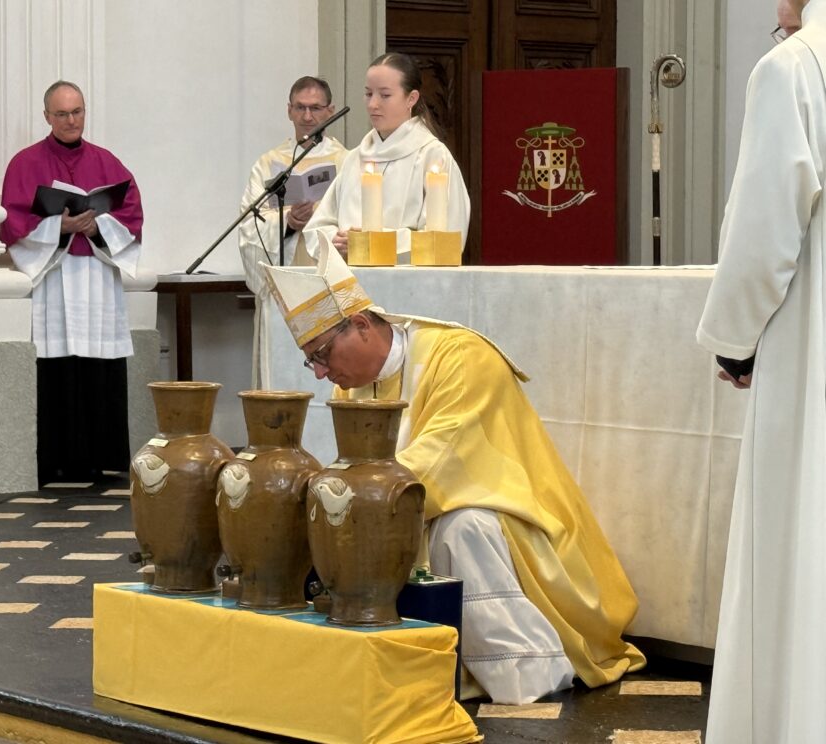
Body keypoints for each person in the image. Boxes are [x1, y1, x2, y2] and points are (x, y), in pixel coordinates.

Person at [262, 237, 645, 704]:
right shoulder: (353, 386)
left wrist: (340, 494)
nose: (319, 373)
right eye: (311, 360)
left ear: (360, 325)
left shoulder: (460, 356)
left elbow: (441, 460)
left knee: (461, 527)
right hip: (416, 510)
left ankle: (529, 670)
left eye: (321, 355)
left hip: (517, 525)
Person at [696, 1, 826, 741]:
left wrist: (736, 339)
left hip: (812, 355)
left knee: (800, 546)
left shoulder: (795, 68)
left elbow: (764, 232)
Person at [0, 80, 144, 486]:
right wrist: (57, 226)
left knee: (98, 368)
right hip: (56, 275)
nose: (71, 120)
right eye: (61, 114)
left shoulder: (108, 163)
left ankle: (101, 459)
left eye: (77, 112)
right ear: (47, 116)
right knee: (57, 366)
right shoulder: (25, 162)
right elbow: (12, 221)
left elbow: (131, 217)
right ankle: (56, 461)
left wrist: (98, 225)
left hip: (97, 274)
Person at [304, 52, 470, 260]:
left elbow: (446, 237)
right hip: (350, 285)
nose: (373, 104)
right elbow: (319, 226)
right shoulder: (356, 158)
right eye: (368, 93)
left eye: (384, 95)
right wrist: (336, 241)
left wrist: (375, 243)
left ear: (411, 98)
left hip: (406, 285)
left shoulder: (432, 156)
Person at [239, 76, 349, 387]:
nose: (307, 116)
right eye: (300, 107)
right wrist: (289, 222)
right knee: (283, 379)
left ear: (330, 111)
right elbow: (249, 228)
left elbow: (359, 222)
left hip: (329, 282)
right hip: (283, 285)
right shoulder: (268, 164)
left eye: (315, 108)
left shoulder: (347, 162)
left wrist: (324, 218)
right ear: (289, 111)